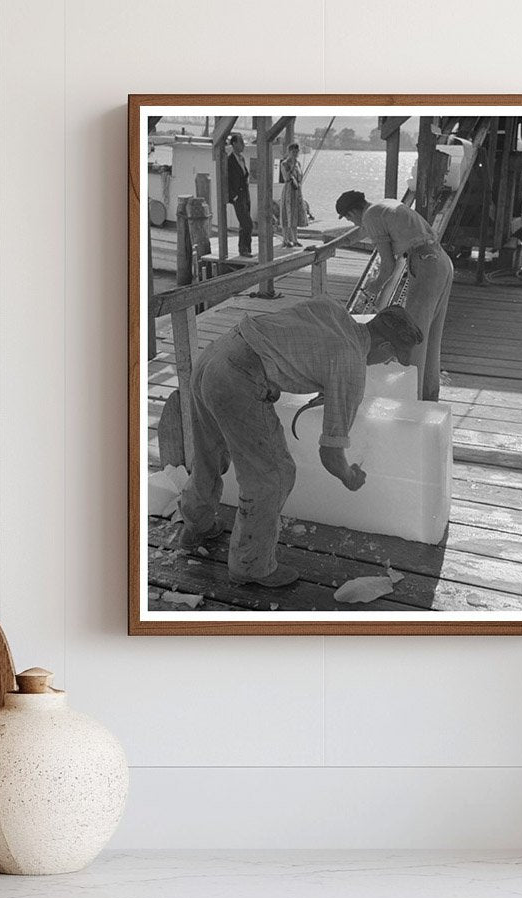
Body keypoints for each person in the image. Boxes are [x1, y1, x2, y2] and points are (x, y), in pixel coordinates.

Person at [178, 299, 423, 588]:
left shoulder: (334, 313)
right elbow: (330, 453)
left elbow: (297, 339)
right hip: (239, 377)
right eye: (390, 359)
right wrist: (349, 476)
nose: (385, 363)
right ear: (384, 347)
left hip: (215, 355)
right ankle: (251, 565)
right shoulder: (351, 362)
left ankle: (197, 524)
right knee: (274, 475)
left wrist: (326, 385)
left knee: (209, 452)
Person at [335, 190, 454, 402]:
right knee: (431, 336)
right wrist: (330, 246)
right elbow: (358, 233)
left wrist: (374, 287)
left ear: (353, 211)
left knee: (411, 336)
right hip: (440, 260)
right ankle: (429, 396)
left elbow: (388, 266)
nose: (351, 223)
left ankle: (412, 401)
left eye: (349, 218)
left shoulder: (370, 216)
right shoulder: (382, 206)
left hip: (425, 264)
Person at [227, 133, 252, 257]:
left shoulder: (241, 158)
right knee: (247, 223)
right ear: (234, 144)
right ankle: (243, 249)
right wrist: (234, 196)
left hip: (245, 194)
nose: (243, 145)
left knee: (244, 224)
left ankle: (246, 249)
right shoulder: (230, 160)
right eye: (241, 142)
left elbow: (244, 176)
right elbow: (227, 180)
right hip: (238, 196)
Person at [279, 142, 307, 247]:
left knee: (296, 214)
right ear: (289, 152)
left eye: (296, 152)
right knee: (287, 214)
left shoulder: (298, 163)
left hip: (297, 190)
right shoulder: (284, 163)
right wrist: (291, 167)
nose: (295, 153)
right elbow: (286, 177)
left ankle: (295, 239)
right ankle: (285, 239)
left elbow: (300, 177)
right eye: (293, 152)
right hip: (288, 190)